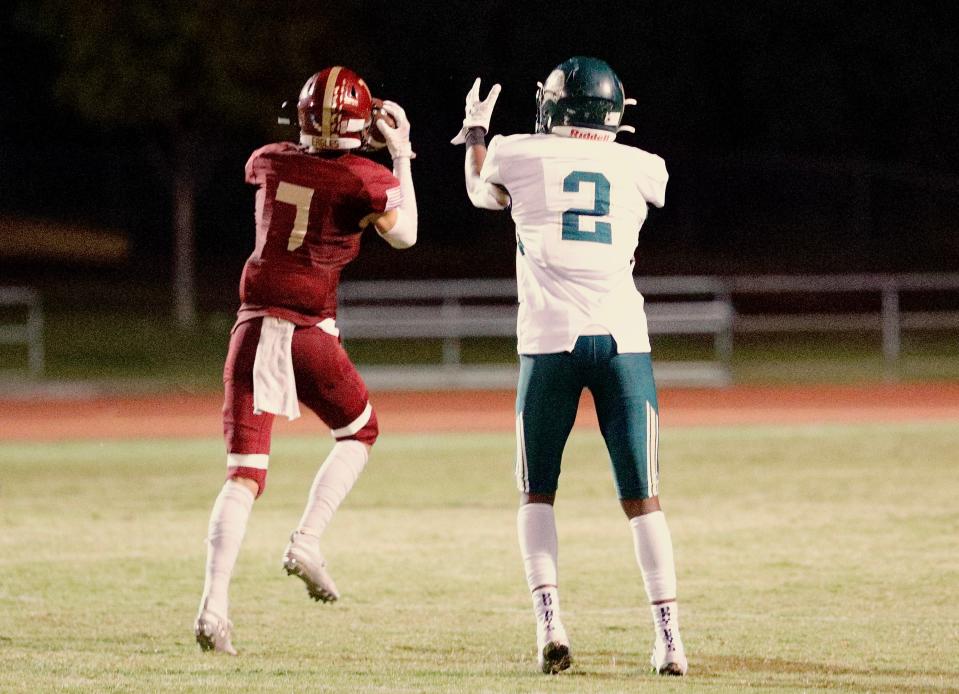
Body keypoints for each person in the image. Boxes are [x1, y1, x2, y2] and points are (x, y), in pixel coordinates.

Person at [451, 56, 688, 676]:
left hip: (550, 341)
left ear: (556, 106)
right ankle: (669, 638)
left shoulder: (516, 152)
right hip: (622, 342)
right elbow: (648, 188)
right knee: (644, 497)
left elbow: (481, 191)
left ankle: (550, 624)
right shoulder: (643, 166)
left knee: (537, 491)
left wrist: (476, 133)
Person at [194, 66, 417, 655]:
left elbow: (302, 166)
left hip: (248, 326)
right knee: (361, 430)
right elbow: (407, 234)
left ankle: (213, 609)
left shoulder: (268, 160)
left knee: (242, 476)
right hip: (304, 330)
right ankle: (307, 540)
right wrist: (401, 154)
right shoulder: (363, 180)